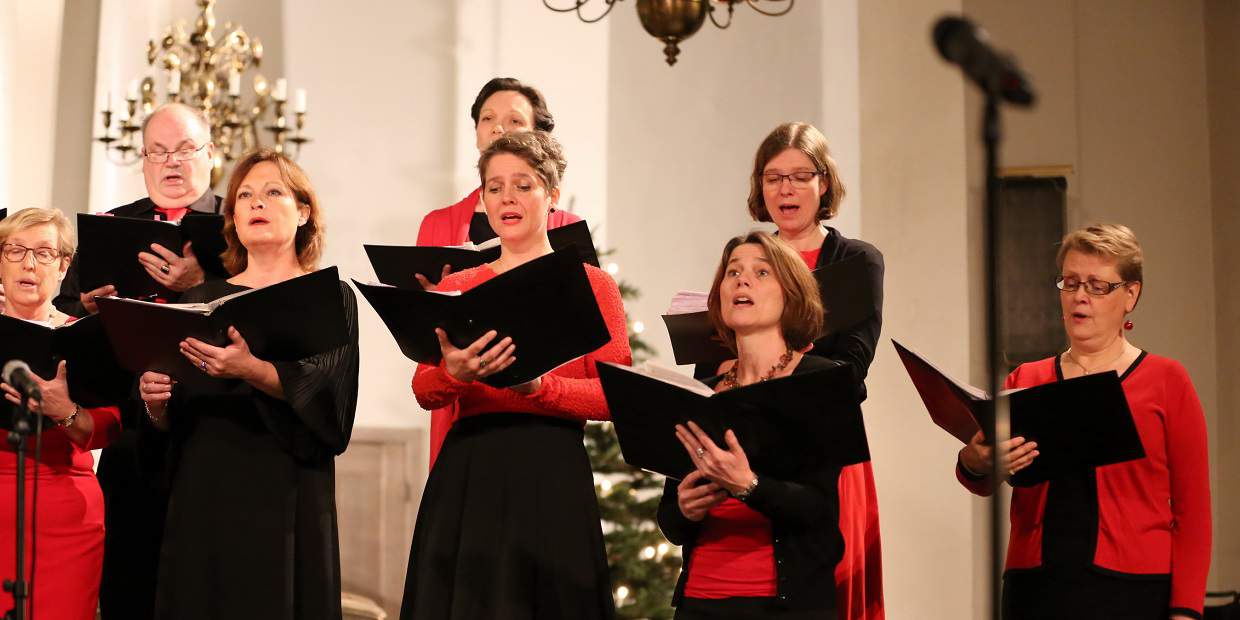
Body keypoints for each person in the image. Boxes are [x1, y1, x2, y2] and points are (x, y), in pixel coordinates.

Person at [401, 130, 629, 619]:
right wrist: (455, 374)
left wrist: (541, 387)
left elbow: (615, 395)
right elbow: (423, 389)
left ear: (551, 194)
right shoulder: (459, 285)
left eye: (523, 185)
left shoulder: (593, 285)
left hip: (552, 472)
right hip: (472, 472)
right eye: (495, 186)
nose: (508, 198)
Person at [138, 148, 359, 620]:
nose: (256, 203)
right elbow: (173, 418)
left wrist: (251, 369)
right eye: (245, 196)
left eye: (273, 192)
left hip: (287, 491)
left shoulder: (328, 295)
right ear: (233, 217)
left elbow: (330, 396)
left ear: (303, 212)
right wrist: (155, 403)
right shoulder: (199, 300)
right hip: (205, 490)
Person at [956, 224, 1211, 620]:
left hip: (1133, 591)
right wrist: (974, 463)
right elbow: (986, 478)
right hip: (1036, 588)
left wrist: (1187, 611)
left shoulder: (1166, 380)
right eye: (1071, 282)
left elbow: (1194, 511)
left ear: (1131, 294)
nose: (1080, 297)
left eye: (1097, 286)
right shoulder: (1026, 379)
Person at [51, 102, 225, 620]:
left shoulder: (238, 225)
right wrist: (84, 309)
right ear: (144, 158)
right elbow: (61, 314)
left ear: (210, 154)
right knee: (130, 582)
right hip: (130, 434)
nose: (171, 162)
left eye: (184, 150)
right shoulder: (113, 227)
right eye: (157, 151)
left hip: (215, 429)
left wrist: (201, 286)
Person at [732, 122, 885, 619]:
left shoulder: (856, 260)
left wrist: (779, 365)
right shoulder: (749, 258)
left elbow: (852, 367)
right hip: (756, 442)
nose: (786, 189)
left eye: (800, 176)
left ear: (824, 183)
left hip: (825, 445)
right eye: (773, 178)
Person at [660, 231, 853, 619]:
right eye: (733, 272)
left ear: (791, 295)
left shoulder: (821, 381)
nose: (742, 280)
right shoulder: (700, 393)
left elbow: (820, 512)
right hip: (700, 602)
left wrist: (749, 486)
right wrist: (685, 508)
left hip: (782, 606)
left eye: (761, 273)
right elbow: (671, 521)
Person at [415, 77, 582, 468]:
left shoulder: (566, 226)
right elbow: (425, 371)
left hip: (544, 407)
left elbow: (584, 337)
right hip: (466, 391)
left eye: (513, 120)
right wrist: (428, 303)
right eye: (487, 118)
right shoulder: (438, 222)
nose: (498, 128)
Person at [0, 208, 121, 619]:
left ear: (64, 265)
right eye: (15, 250)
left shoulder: (87, 336)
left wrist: (63, 411)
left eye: (44, 253)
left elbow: (111, 425)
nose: (28, 263)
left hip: (67, 510)